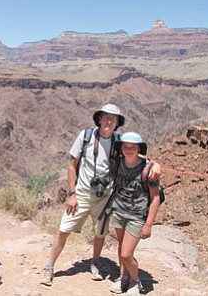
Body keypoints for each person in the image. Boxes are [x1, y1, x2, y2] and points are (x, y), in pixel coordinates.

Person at [40, 104, 161, 286]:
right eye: (106, 117)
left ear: (117, 123)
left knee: (100, 233)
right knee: (63, 230)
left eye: (113, 119)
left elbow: (134, 154)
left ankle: (95, 262)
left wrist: (155, 164)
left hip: (105, 196)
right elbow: (72, 165)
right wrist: (72, 193)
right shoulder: (86, 136)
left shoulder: (118, 142)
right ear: (99, 119)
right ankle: (49, 266)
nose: (109, 121)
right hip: (81, 194)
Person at [109, 132, 161, 295]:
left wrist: (148, 224)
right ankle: (123, 277)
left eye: (133, 147)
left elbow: (155, 198)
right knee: (121, 249)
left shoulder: (148, 169)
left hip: (137, 216)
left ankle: (135, 281)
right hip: (119, 212)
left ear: (139, 148)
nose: (128, 150)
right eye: (125, 146)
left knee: (126, 253)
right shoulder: (117, 163)